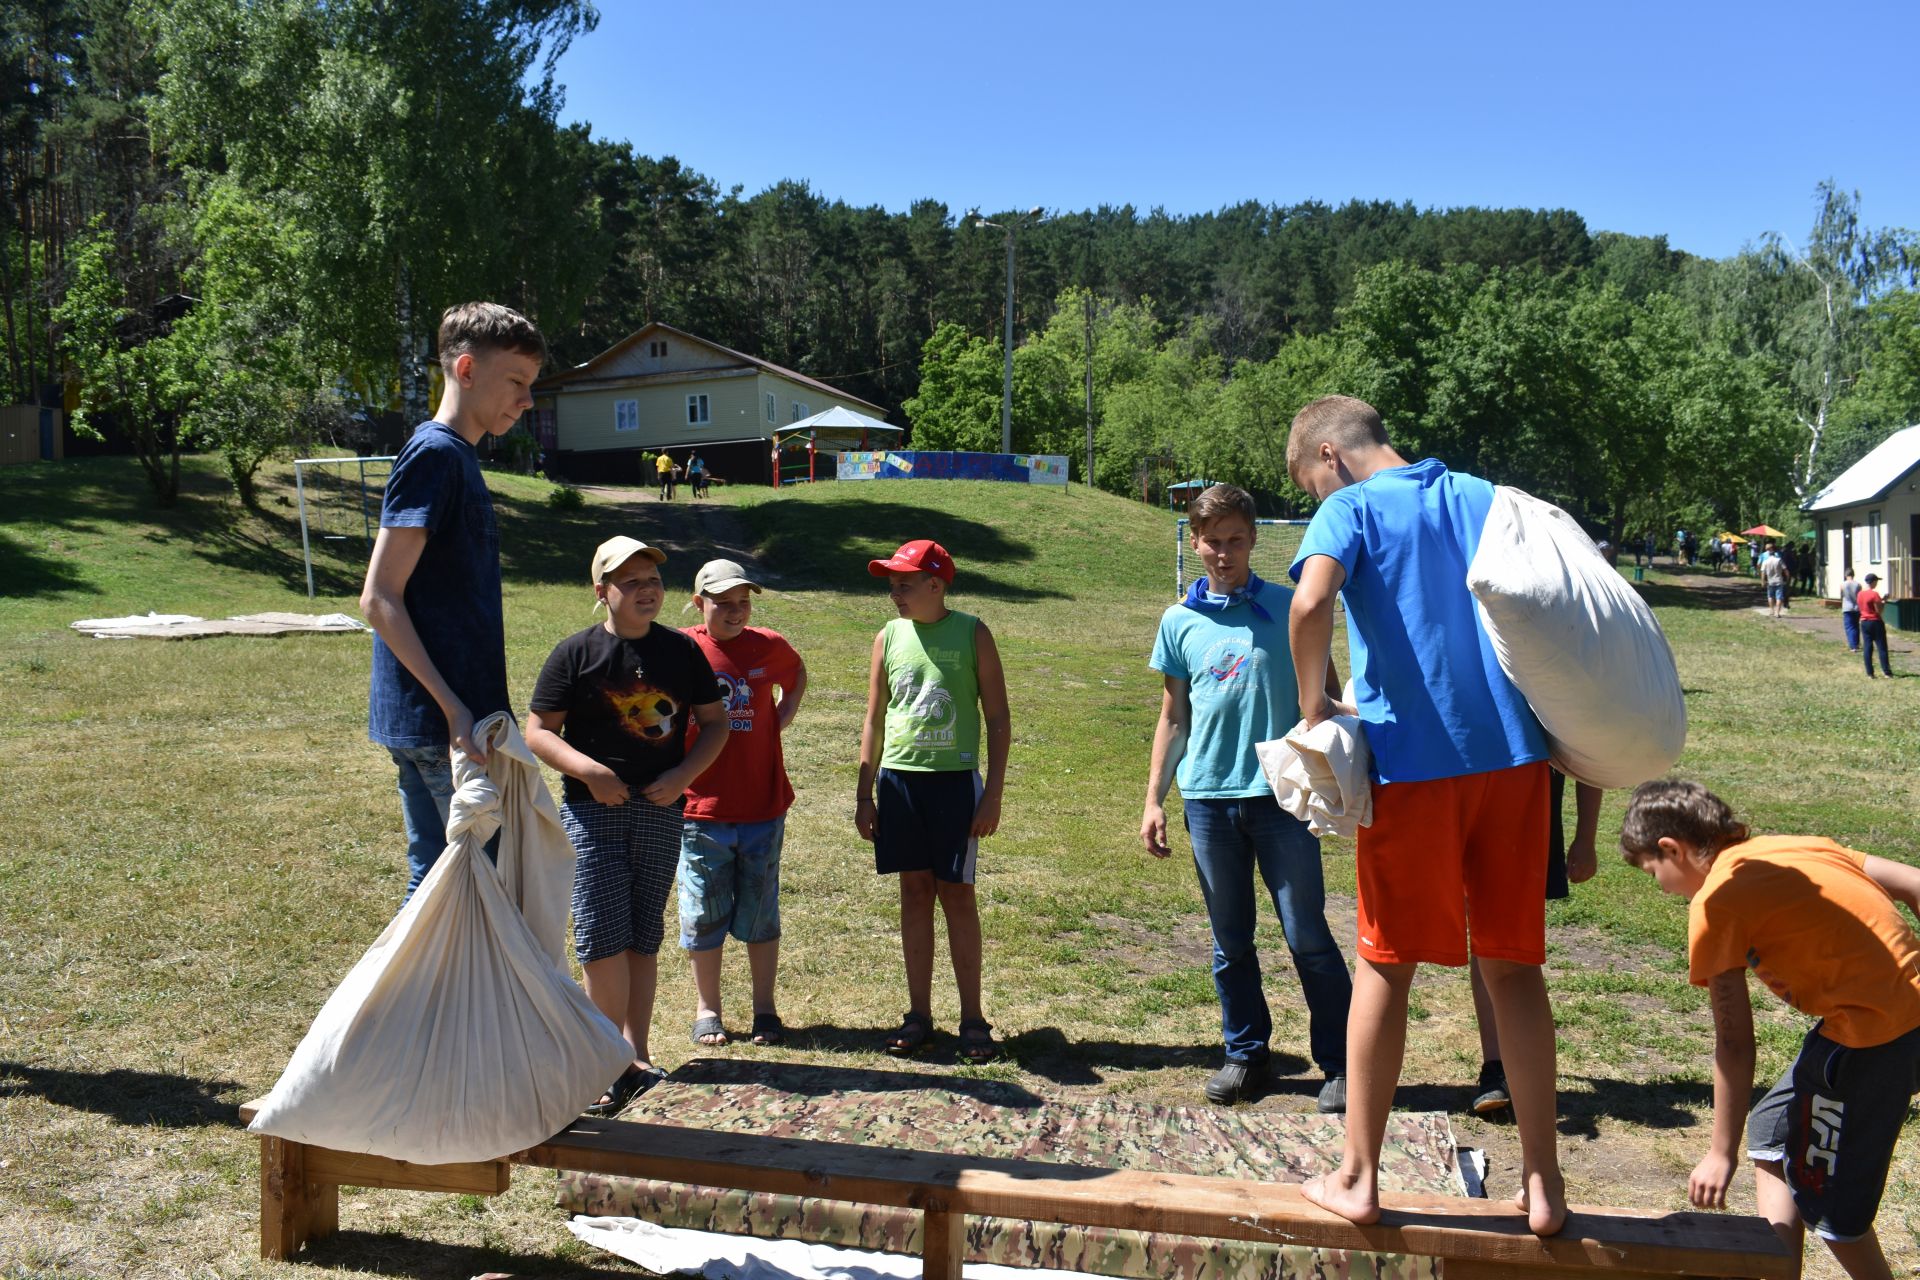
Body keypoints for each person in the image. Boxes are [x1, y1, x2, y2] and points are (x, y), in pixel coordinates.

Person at [1285, 395, 1565, 1235]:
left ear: (1329, 454)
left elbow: (1307, 605)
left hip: (1412, 767)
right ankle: (1544, 1185)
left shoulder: (1351, 506)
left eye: (1307, 484)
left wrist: (1313, 709)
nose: (1313, 499)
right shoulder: (1483, 494)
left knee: (1385, 965)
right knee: (1513, 968)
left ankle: (1359, 1178)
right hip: (1517, 761)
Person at [1618, 779, 1920, 1280]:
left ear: (1672, 848)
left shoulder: (1716, 903)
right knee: (1769, 1131)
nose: (1660, 886)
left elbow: (1735, 1044)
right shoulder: (1793, 846)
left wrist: (1719, 1153)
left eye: (1654, 870)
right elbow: (1914, 882)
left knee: (1832, 1212)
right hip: (1894, 1020)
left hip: (1868, 1043)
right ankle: (1778, 1272)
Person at [1140, 484, 1352, 1111]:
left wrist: (1340, 764)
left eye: (1236, 540)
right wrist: (1154, 797)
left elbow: (1330, 699)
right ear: (1195, 543)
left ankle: (1340, 1063)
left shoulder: (1294, 608)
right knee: (1229, 940)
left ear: (1254, 538)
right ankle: (1245, 1054)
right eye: (1212, 542)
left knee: (1306, 932)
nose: (1224, 553)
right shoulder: (1180, 621)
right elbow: (1173, 716)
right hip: (1206, 798)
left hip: (1281, 798)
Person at [526, 536, 730, 1116]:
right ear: (602, 592)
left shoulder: (683, 652)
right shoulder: (575, 654)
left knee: (643, 936)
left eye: (654, 581)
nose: (647, 590)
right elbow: (538, 729)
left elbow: (714, 725)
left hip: (661, 809)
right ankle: (600, 1065)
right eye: (631, 582)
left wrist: (685, 776)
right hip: (595, 813)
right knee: (601, 938)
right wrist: (590, 773)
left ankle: (635, 1059)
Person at [360, 302, 545, 898]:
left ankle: (424, 995)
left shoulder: (456, 456)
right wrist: (454, 710)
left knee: (441, 887)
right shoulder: (435, 454)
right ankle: (437, 996)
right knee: (478, 895)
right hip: (444, 724)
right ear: (466, 369)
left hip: (449, 722)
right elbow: (379, 597)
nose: (527, 400)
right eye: (516, 382)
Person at [855, 539, 1011, 1063]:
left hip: (954, 784)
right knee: (915, 893)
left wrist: (992, 794)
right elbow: (875, 719)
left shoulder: (972, 632)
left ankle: (973, 1018)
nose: (895, 592)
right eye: (891, 583)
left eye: (905, 583)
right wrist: (865, 793)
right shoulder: (887, 637)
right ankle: (918, 1014)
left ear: (936, 584)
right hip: (899, 783)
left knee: (957, 894)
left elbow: (998, 718)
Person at [678, 559, 807, 1049]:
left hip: (761, 806)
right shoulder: (681, 648)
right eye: (723, 603)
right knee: (703, 914)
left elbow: (795, 677)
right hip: (698, 808)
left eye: (743, 603)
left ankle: (764, 1009)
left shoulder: (767, 646)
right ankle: (707, 1009)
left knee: (759, 913)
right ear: (698, 603)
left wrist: (779, 718)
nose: (735, 612)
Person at [1467, 770, 1601, 1115]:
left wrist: (1585, 836)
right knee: (1484, 942)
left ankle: (1518, 1074)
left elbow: (1590, 741)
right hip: (1466, 794)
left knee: (1509, 954)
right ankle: (1496, 1067)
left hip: (1528, 810)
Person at [1858, 573, 1892, 678]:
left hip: (1864, 621)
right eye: (1876, 581)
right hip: (1875, 622)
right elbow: (1879, 610)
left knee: (1867, 647)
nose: (1876, 584)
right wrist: (1884, 601)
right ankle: (1886, 671)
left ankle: (1870, 672)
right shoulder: (1874, 594)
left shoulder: (1860, 594)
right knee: (1881, 647)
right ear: (1873, 582)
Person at [1762, 543, 1790, 619]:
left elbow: (1763, 572)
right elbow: (1785, 570)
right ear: (1775, 554)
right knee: (1779, 597)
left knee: (1770, 596)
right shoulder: (1779, 560)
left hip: (1770, 581)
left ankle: (1771, 610)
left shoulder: (1765, 562)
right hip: (1779, 580)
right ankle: (1777, 613)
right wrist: (1787, 578)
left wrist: (1763, 581)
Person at [1839, 569, 1863, 652]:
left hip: (1847, 607)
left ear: (1846, 575)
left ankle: (1853, 646)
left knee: (1849, 627)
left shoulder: (1843, 584)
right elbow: (1860, 597)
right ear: (1853, 575)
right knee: (1856, 626)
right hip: (1857, 607)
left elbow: (1842, 596)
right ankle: (1856, 643)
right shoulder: (1858, 585)